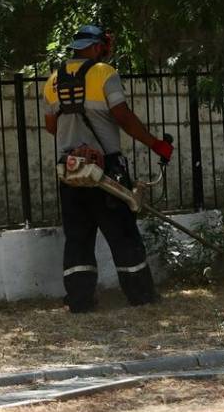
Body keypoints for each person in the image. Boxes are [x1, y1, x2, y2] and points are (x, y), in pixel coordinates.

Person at [43, 24, 174, 313]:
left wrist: (76, 142)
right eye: (104, 46)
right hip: (105, 169)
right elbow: (123, 116)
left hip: (71, 170)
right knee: (123, 233)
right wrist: (155, 144)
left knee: (77, 237)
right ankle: (141, 297)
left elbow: (52, 126)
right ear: (97, 46)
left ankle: (80, 301)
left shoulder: (53, 80)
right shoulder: (104, 73)